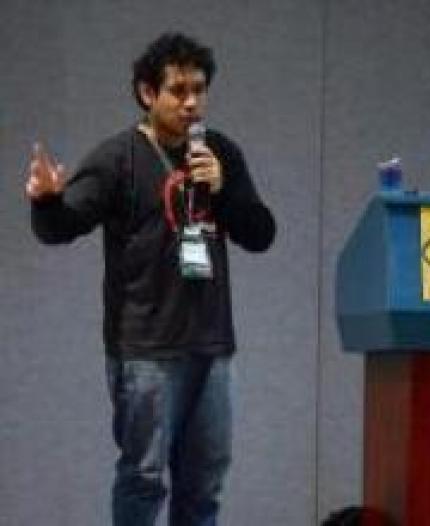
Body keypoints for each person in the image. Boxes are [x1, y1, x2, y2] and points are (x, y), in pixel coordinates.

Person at [26, 32, 276, 526]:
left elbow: (261, 234)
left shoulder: (218, 153)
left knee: (204, 485)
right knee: (144, 479)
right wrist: (46, 201)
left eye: (199, 90)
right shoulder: (117, 158)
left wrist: (223, 189)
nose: (191, 103)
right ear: (147, 93)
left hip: (211, 345)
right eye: (178, 91)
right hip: (145, 351)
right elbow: (60, 227)